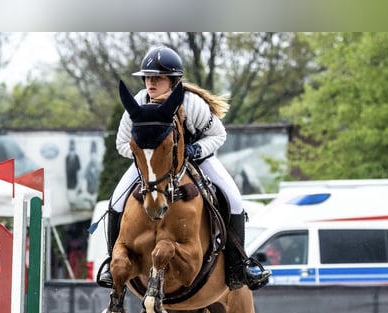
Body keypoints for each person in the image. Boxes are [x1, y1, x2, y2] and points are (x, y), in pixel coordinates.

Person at [96, 45, 270, 292]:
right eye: (147, 77)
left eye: (157, 78)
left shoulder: (192, 104)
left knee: (234, 199)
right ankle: (110, 262)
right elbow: (121, 143)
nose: (150, 83)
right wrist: (147, 159)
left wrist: (194, 151)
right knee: (115, 201)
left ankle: (238, 264)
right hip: (151, 166)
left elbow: (218, 135)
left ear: (173, 81)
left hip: (198, 159)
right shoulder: (138, 103)